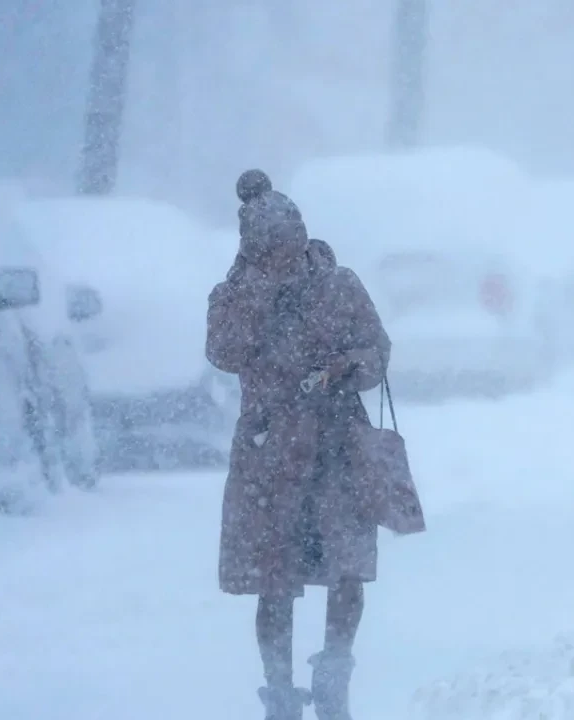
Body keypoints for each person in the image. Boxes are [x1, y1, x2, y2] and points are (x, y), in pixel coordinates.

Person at [206, 174, 391, 720]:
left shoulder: (340, 285)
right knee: (274, 579)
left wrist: (350, 365)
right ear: (254, 248)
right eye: (273, 250)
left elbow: (376, 350)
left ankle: (335, 674)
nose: (285, 258)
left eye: (291, 245)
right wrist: (259, 293)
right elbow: (225, 351)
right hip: (272, 455)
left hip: (339, 448)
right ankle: (280, 694)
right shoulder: (234, 295)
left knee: (348, 567)